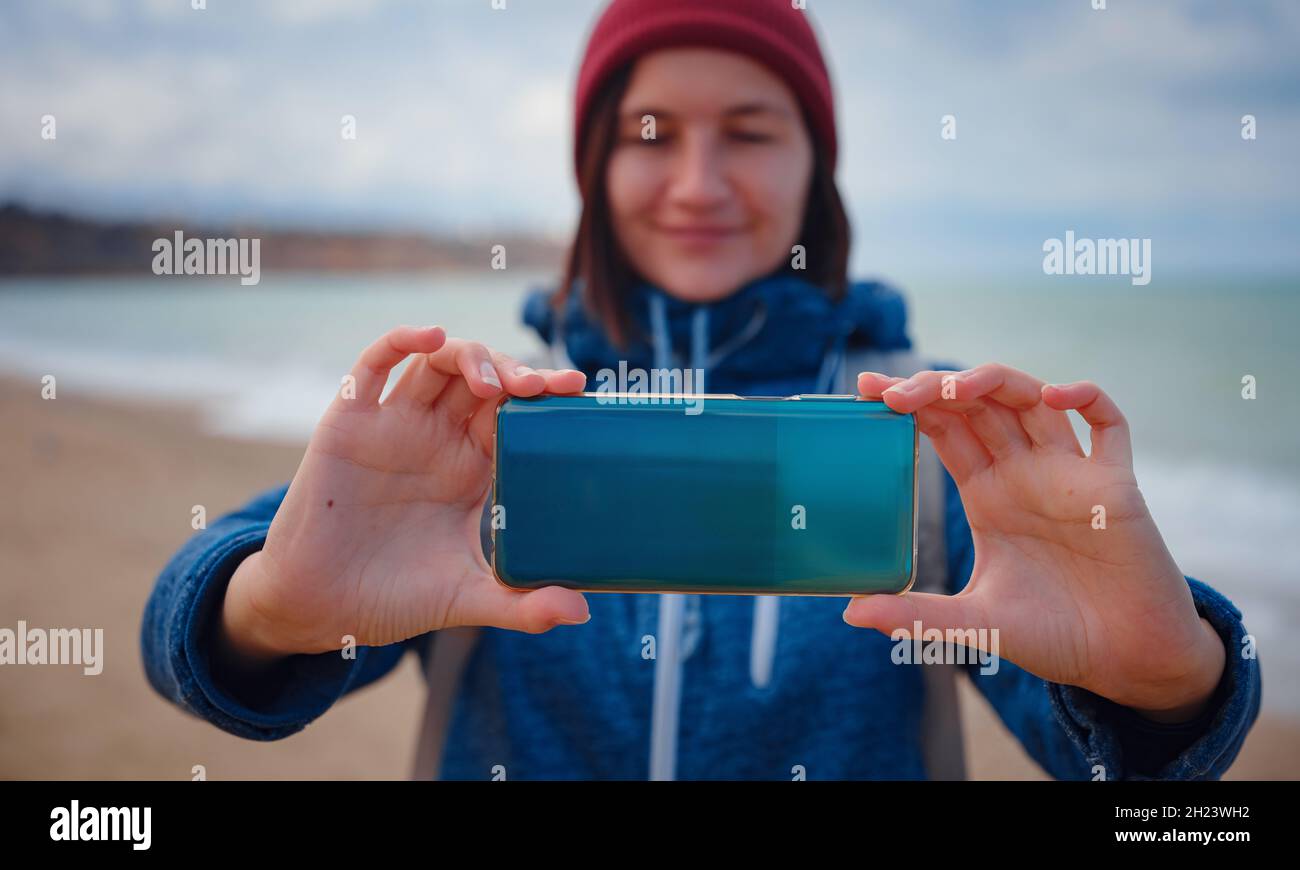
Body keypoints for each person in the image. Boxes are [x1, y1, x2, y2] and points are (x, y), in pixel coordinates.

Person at [141, 0, 1260, 780]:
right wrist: (264, 611)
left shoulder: (932, 445)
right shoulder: (483, 432)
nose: (696, 183)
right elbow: (192, 641)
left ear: (814, 166)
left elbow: (1123, 760)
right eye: (649, 135)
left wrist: (1170, 682)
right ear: (594, 168)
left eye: (751, 133)